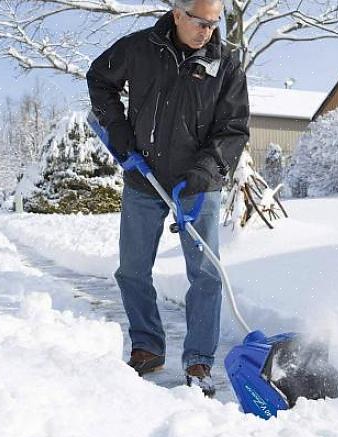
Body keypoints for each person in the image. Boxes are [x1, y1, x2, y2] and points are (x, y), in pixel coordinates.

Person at [86, 0, 249, 396]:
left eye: (213, 25)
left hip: (198, 185)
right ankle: (147, 345)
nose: (207, 32)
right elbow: (99, 79)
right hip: (144, 178)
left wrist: (205, 170)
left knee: (206, 274)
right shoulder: (139, 48)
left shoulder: (225, 63)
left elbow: (233, 129)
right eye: (199, 22)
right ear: (178, 14)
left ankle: (198, 359)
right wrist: (120, 133)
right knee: (132, 270)